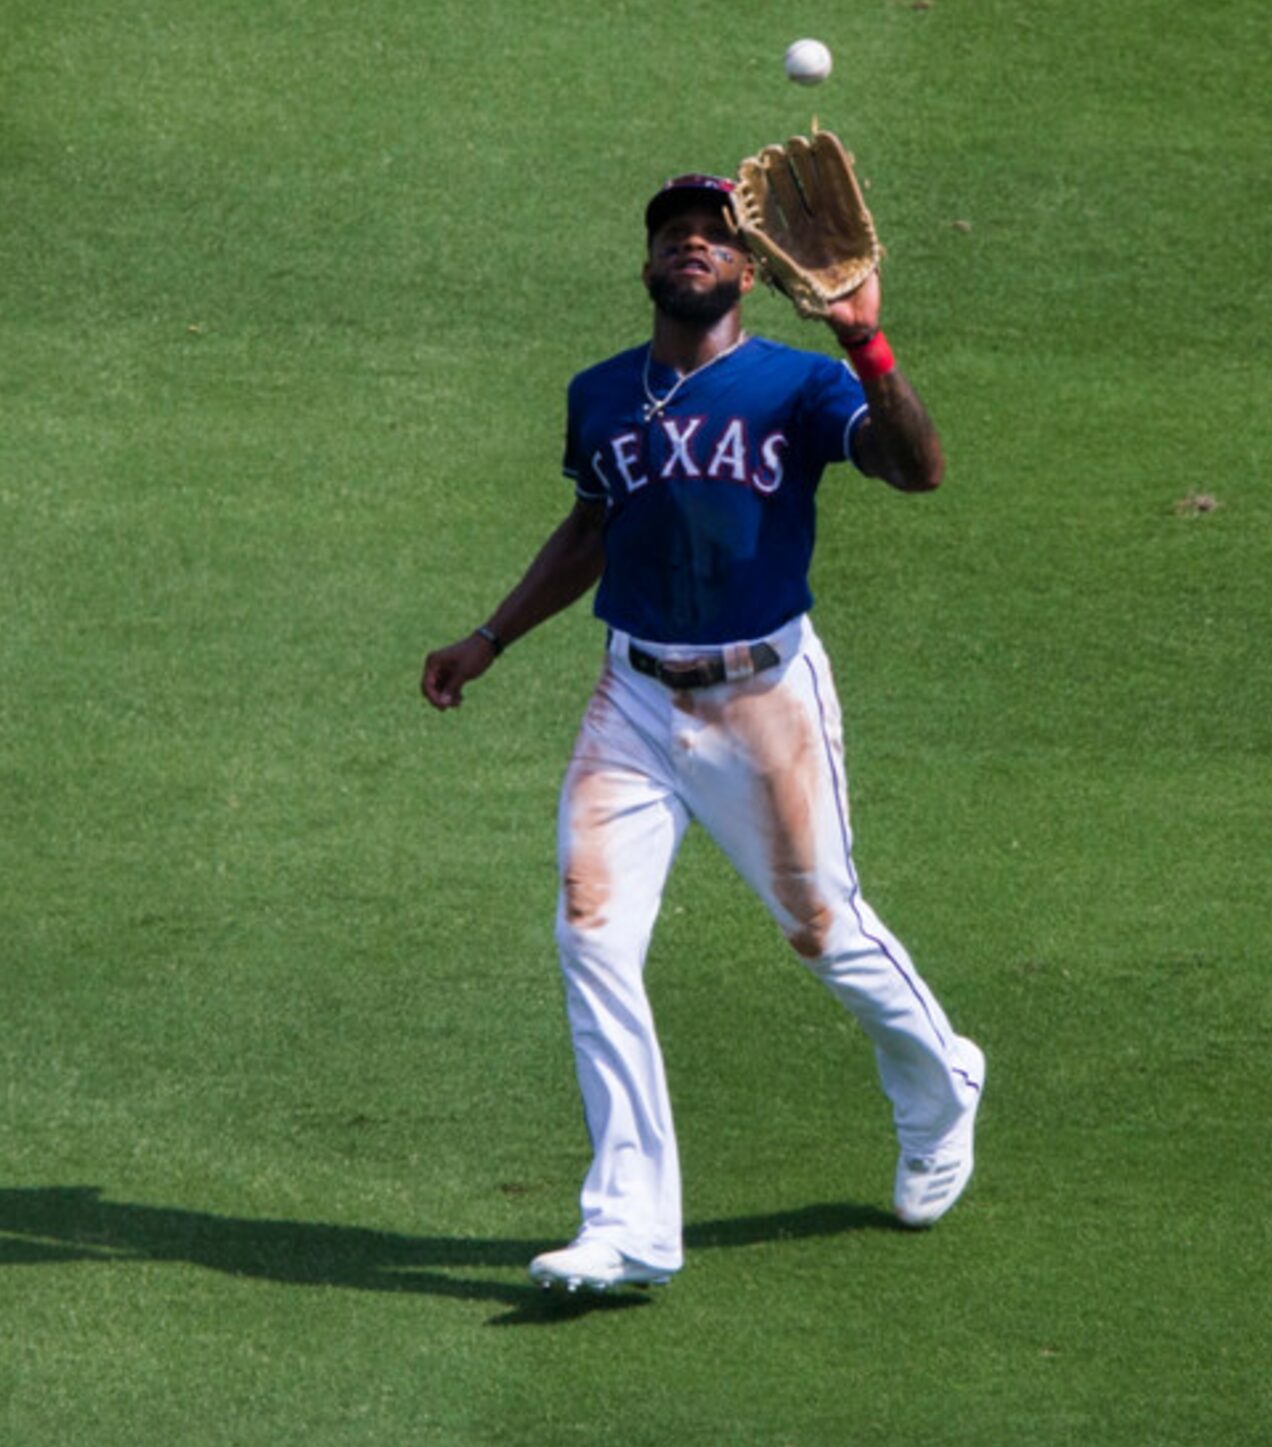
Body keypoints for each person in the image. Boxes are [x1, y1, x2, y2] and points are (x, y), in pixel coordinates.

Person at [419, 169, 985, 1293]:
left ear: (748, 272)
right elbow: (593, 526)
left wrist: (870, 347)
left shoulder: (799, 386)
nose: (692, 246)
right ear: (645, 266)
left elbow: (918, 470)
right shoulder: (599, 394)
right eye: (673, 234)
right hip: (629, 698)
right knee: (591, 939)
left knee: (827, 933)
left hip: (764, 699)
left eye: (716, 238)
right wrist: (490, 637)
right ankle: (629, 1224)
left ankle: (941, 1083)